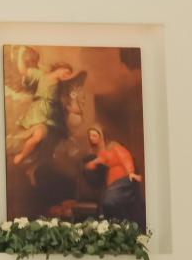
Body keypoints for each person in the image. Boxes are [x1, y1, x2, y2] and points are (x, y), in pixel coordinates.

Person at [9, 50, 81, 186]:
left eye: (68, 75)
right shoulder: (41, 75)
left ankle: (32, 169)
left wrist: (73, 99)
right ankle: (20, 157)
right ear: (60, 69)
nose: (66, 76)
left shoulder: (62, 88)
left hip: (53, 119)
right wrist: (20, 53)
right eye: (66, 72)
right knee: (37, 137)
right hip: (38, 113)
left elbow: (71, 108)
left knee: (48, 151)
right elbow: (23, 71)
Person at [83, 125, 145, 227]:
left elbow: (125, 157)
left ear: (101, 136)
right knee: (105, 204)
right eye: (90, 136)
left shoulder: (114, 147)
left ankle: (122, 225)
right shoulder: (101, 152)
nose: (91, 138)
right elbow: (100, 159)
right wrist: (91, 164)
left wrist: (130, 172)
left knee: (109, 201)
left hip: (123, 179)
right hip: (112, 182)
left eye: (94, 135)